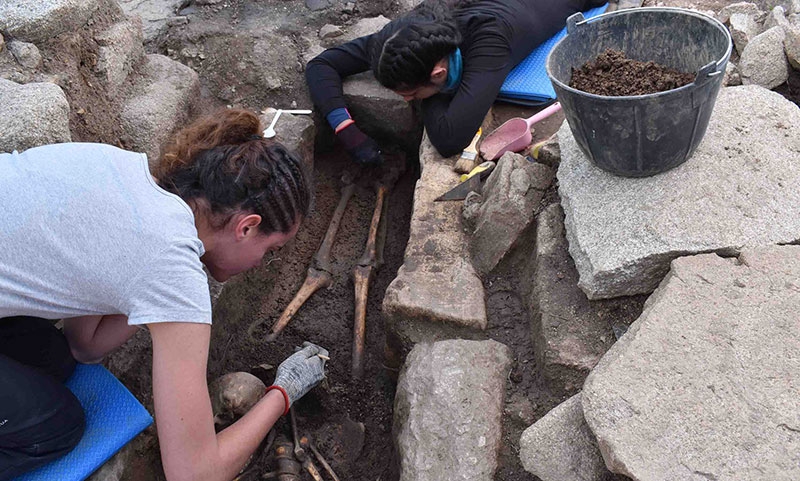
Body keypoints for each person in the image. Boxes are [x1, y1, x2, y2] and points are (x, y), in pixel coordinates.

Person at [0, 109, 328, 481]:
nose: (261, 263)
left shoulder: (125, 172)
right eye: (271, 251)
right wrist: (284, 391)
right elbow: (193, 474)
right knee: (56, 427)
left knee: (54, 358)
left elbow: (83, 346)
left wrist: (157, 294)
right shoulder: (171, 266)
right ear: (247, 227)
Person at [306, 0, 606, 163]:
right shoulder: (410, 35)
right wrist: (345, 128)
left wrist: (432, 94)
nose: (407, 100)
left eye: (411, 93)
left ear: (438, 73)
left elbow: (450, 138)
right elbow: (321, 65)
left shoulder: (489, 40)